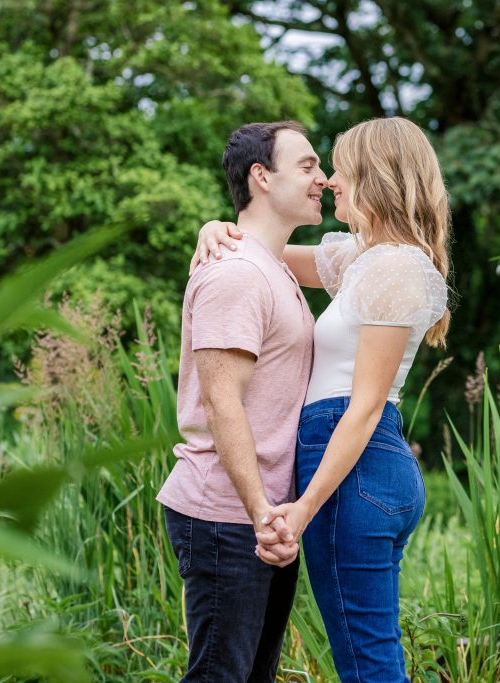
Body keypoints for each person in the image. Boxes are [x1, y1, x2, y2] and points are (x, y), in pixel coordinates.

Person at [191, 117, 451, 683]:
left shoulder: (396, 269)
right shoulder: (366, 259)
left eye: (341, 168)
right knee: (368, 654)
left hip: (353, 461)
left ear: (376, 176)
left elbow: (364, 407)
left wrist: (303, 507)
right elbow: (266, 252)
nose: (331, 181)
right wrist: (215, 227)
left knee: (368, 663)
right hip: (357, 465)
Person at [158, 120, 325, 682]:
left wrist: (276, 518)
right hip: (227, 513)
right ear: (261, 176)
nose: (321, 179)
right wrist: (260, 514)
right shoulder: (236, 274)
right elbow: (220, 404)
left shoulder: (273, 268)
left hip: (265, 517)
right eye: (307, 166)